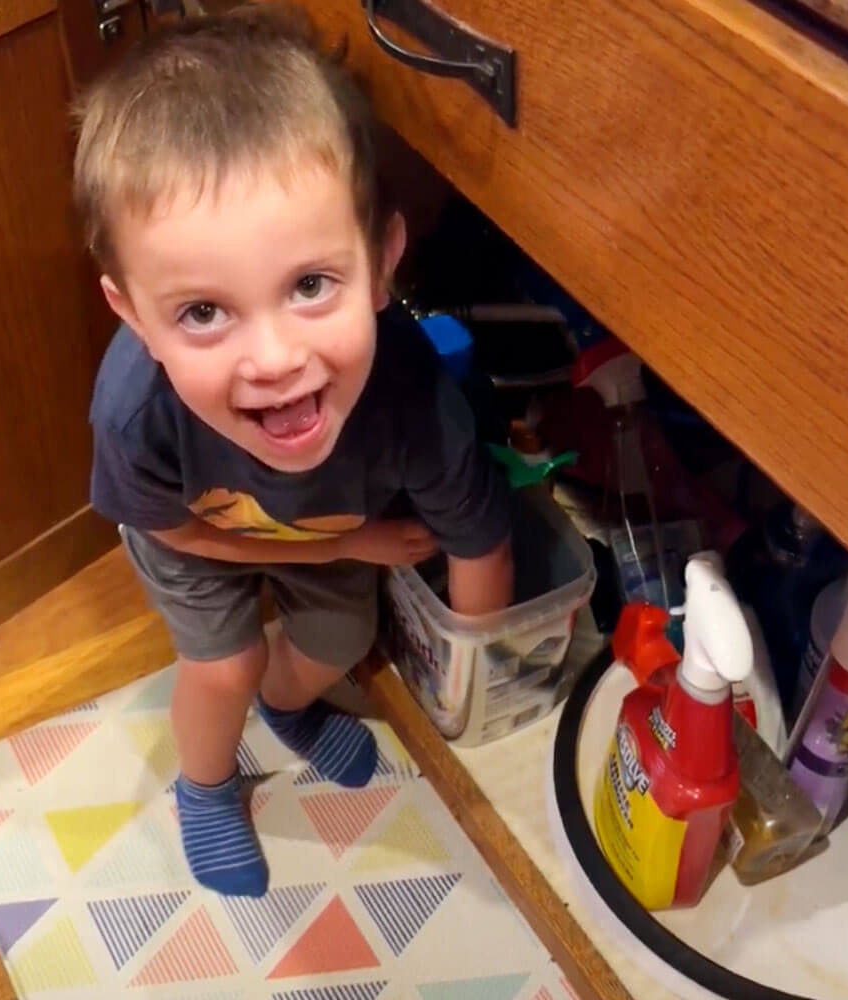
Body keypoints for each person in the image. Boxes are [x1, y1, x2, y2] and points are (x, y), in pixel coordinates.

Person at [75, 2, 513, 898]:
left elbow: (479, 543)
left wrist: (479, 689)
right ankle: (203, 787)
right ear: (134, 318)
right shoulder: (137, 416)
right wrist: (344, 545)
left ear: (384, 263)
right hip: (195, 533)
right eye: (203, 312)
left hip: (320, 520)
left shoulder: (415, 404)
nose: (273, 361)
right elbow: (173, 534)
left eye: (311, 285)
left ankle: (285, 704)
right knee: (224, 660)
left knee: (340, 635)